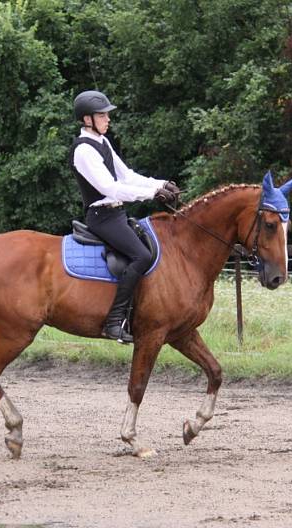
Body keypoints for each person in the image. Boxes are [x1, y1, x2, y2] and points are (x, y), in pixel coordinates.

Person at [69, 90, 180, 343]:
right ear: (87, 119)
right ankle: (114, 322)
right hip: (101, 217)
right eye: (102, 115)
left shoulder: (102, 142)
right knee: (142, 256)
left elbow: (127, 176)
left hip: (116, 214)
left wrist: (162, 183)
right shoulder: (83, 150)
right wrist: (153, 193)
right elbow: (111, 188)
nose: (108, 119)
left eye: (107, 115)